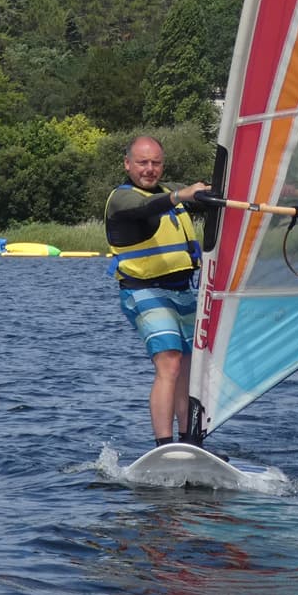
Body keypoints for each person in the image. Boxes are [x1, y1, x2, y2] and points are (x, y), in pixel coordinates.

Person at [104, 135, 210, 450]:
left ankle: (188, 442)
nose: (150, 169)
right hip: (144, 291)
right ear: (127, 164)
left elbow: (188, 194)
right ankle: (163, 446)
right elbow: (148, 206)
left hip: (183, 292)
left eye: (156, 163)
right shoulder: (123, 200)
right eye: (142, 162)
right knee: (170, 362)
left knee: (188, 368)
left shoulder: (167, 191)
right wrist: (184, 194)